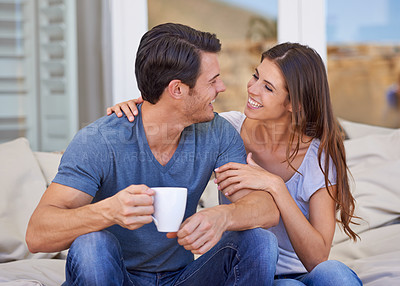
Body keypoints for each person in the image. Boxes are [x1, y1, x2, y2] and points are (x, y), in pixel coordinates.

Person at [25, 23, 280, 286]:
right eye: (213, 80)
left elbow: (266, 210)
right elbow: (37, 234)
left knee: (259, 241)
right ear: (177, 89)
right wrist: (109, 211)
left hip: (182, 278)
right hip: (115, 277)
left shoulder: (217, 133)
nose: (223, 87)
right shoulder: (100, 140)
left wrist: (224, 216)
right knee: (92, 245)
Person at [108, 42, 363, 285]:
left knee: (336, 273)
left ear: (294, 103)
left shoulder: (317, 157)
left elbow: (317, 259)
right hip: (248, 267)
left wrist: (275, 185)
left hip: (303, 272)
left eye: (268, 87)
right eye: (255, 76)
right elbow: (169, 119)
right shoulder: (226, 131)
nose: (252, 89)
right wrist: (138, 109)